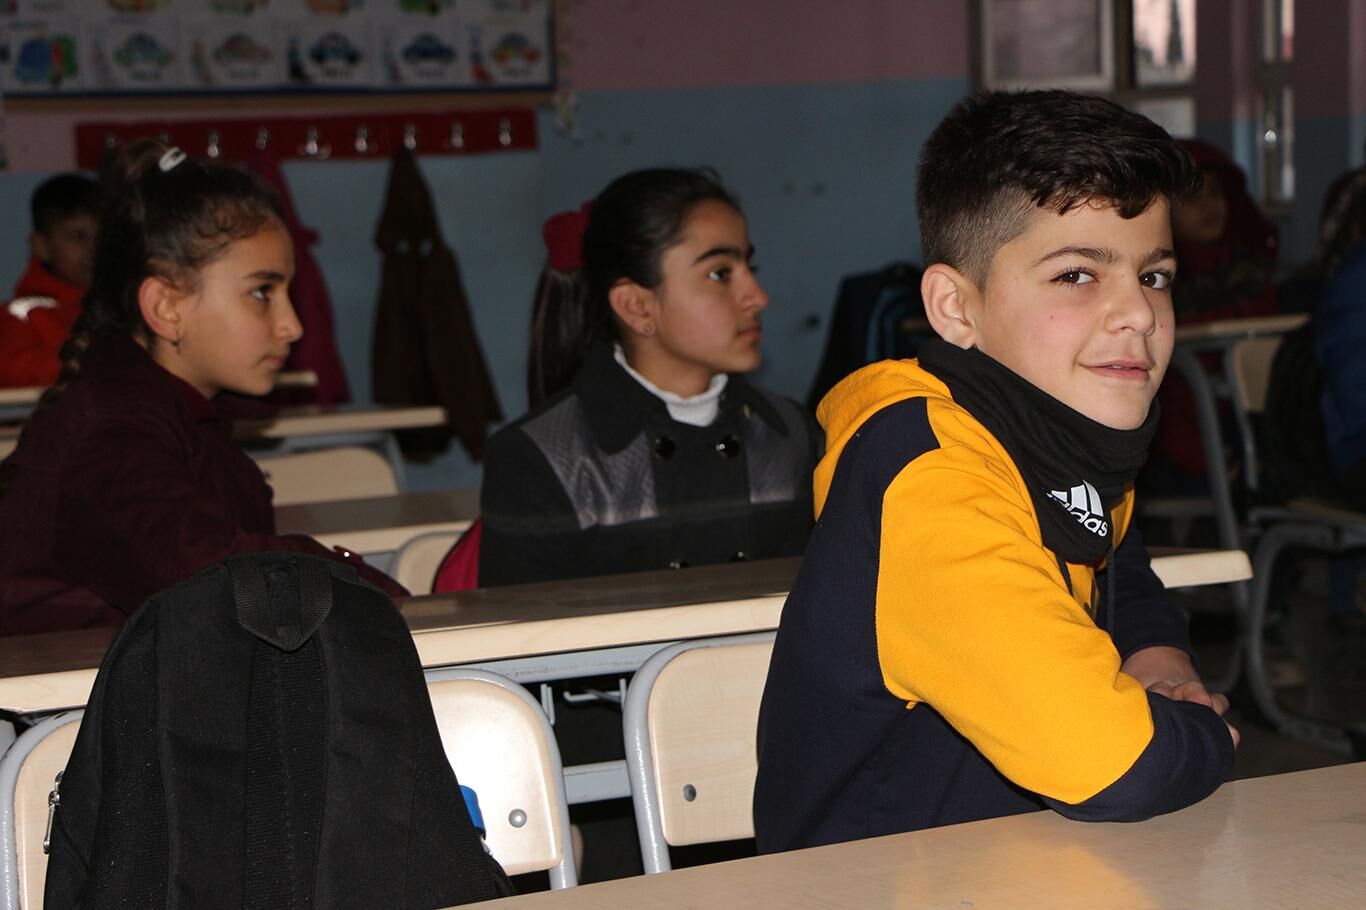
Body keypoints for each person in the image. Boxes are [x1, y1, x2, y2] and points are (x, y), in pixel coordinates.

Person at [753, 90, 1238, 854]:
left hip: (1028, 857)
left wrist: (1156, 658)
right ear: (956, 308)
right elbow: (1121, 766)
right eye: (1077, 275)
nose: (1140, 315)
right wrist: (1206, 735)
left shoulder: (1049, 436)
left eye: (1154, 276)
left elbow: (1115, 553)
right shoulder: (930, 477)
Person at [0, 143, 404, 638]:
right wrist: (363, 585)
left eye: (287, 292)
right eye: (262, 292)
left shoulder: (176, 416)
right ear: (166, 308)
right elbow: (213, 584)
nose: (292, 326)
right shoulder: (112, 432)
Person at [478, 167, 821, 587]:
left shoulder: (792, 436)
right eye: (720, 273)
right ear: (637, 306)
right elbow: (525, 626)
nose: (758, 297)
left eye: (750, 266)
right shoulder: (540, 459)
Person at [0, 173, 98, 388]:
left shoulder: (124, 307)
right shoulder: (21, 316)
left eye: (101, 236)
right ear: (42, 246)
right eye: (77, 237)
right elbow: (12, 371)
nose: (93, 249)